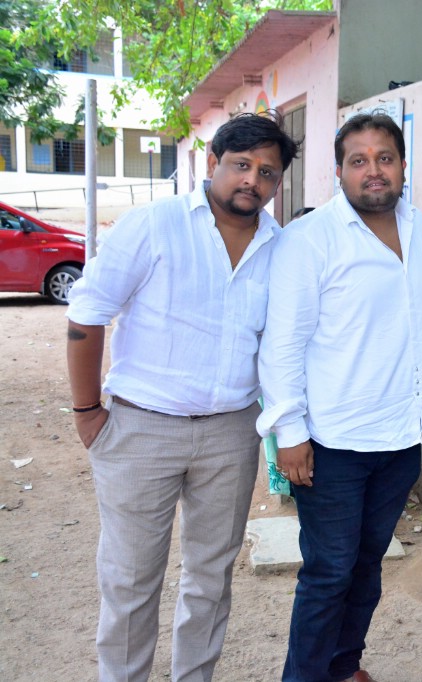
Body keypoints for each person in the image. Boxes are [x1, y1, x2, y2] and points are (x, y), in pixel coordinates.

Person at [65, 111, 300, 681]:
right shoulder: (153, 225)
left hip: (230, 433)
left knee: (210, 578)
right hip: (142, 429)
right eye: (242, 165)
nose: (253, 180)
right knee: (130, 579)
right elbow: (86, 315)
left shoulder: (282, 246)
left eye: (268, 173)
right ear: (214, 162)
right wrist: (87, 411)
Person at [256, 112, 422, 682]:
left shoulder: (418, 228)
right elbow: (282, 345)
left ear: (403, 167)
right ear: (338, 172)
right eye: (358, 161)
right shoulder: (308, 240)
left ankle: (342, 666)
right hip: (331, 444)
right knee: (329, 572)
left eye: (385, 158)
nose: (373, 171)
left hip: (401, 437)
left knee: (365, 569)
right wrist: (291, 435)